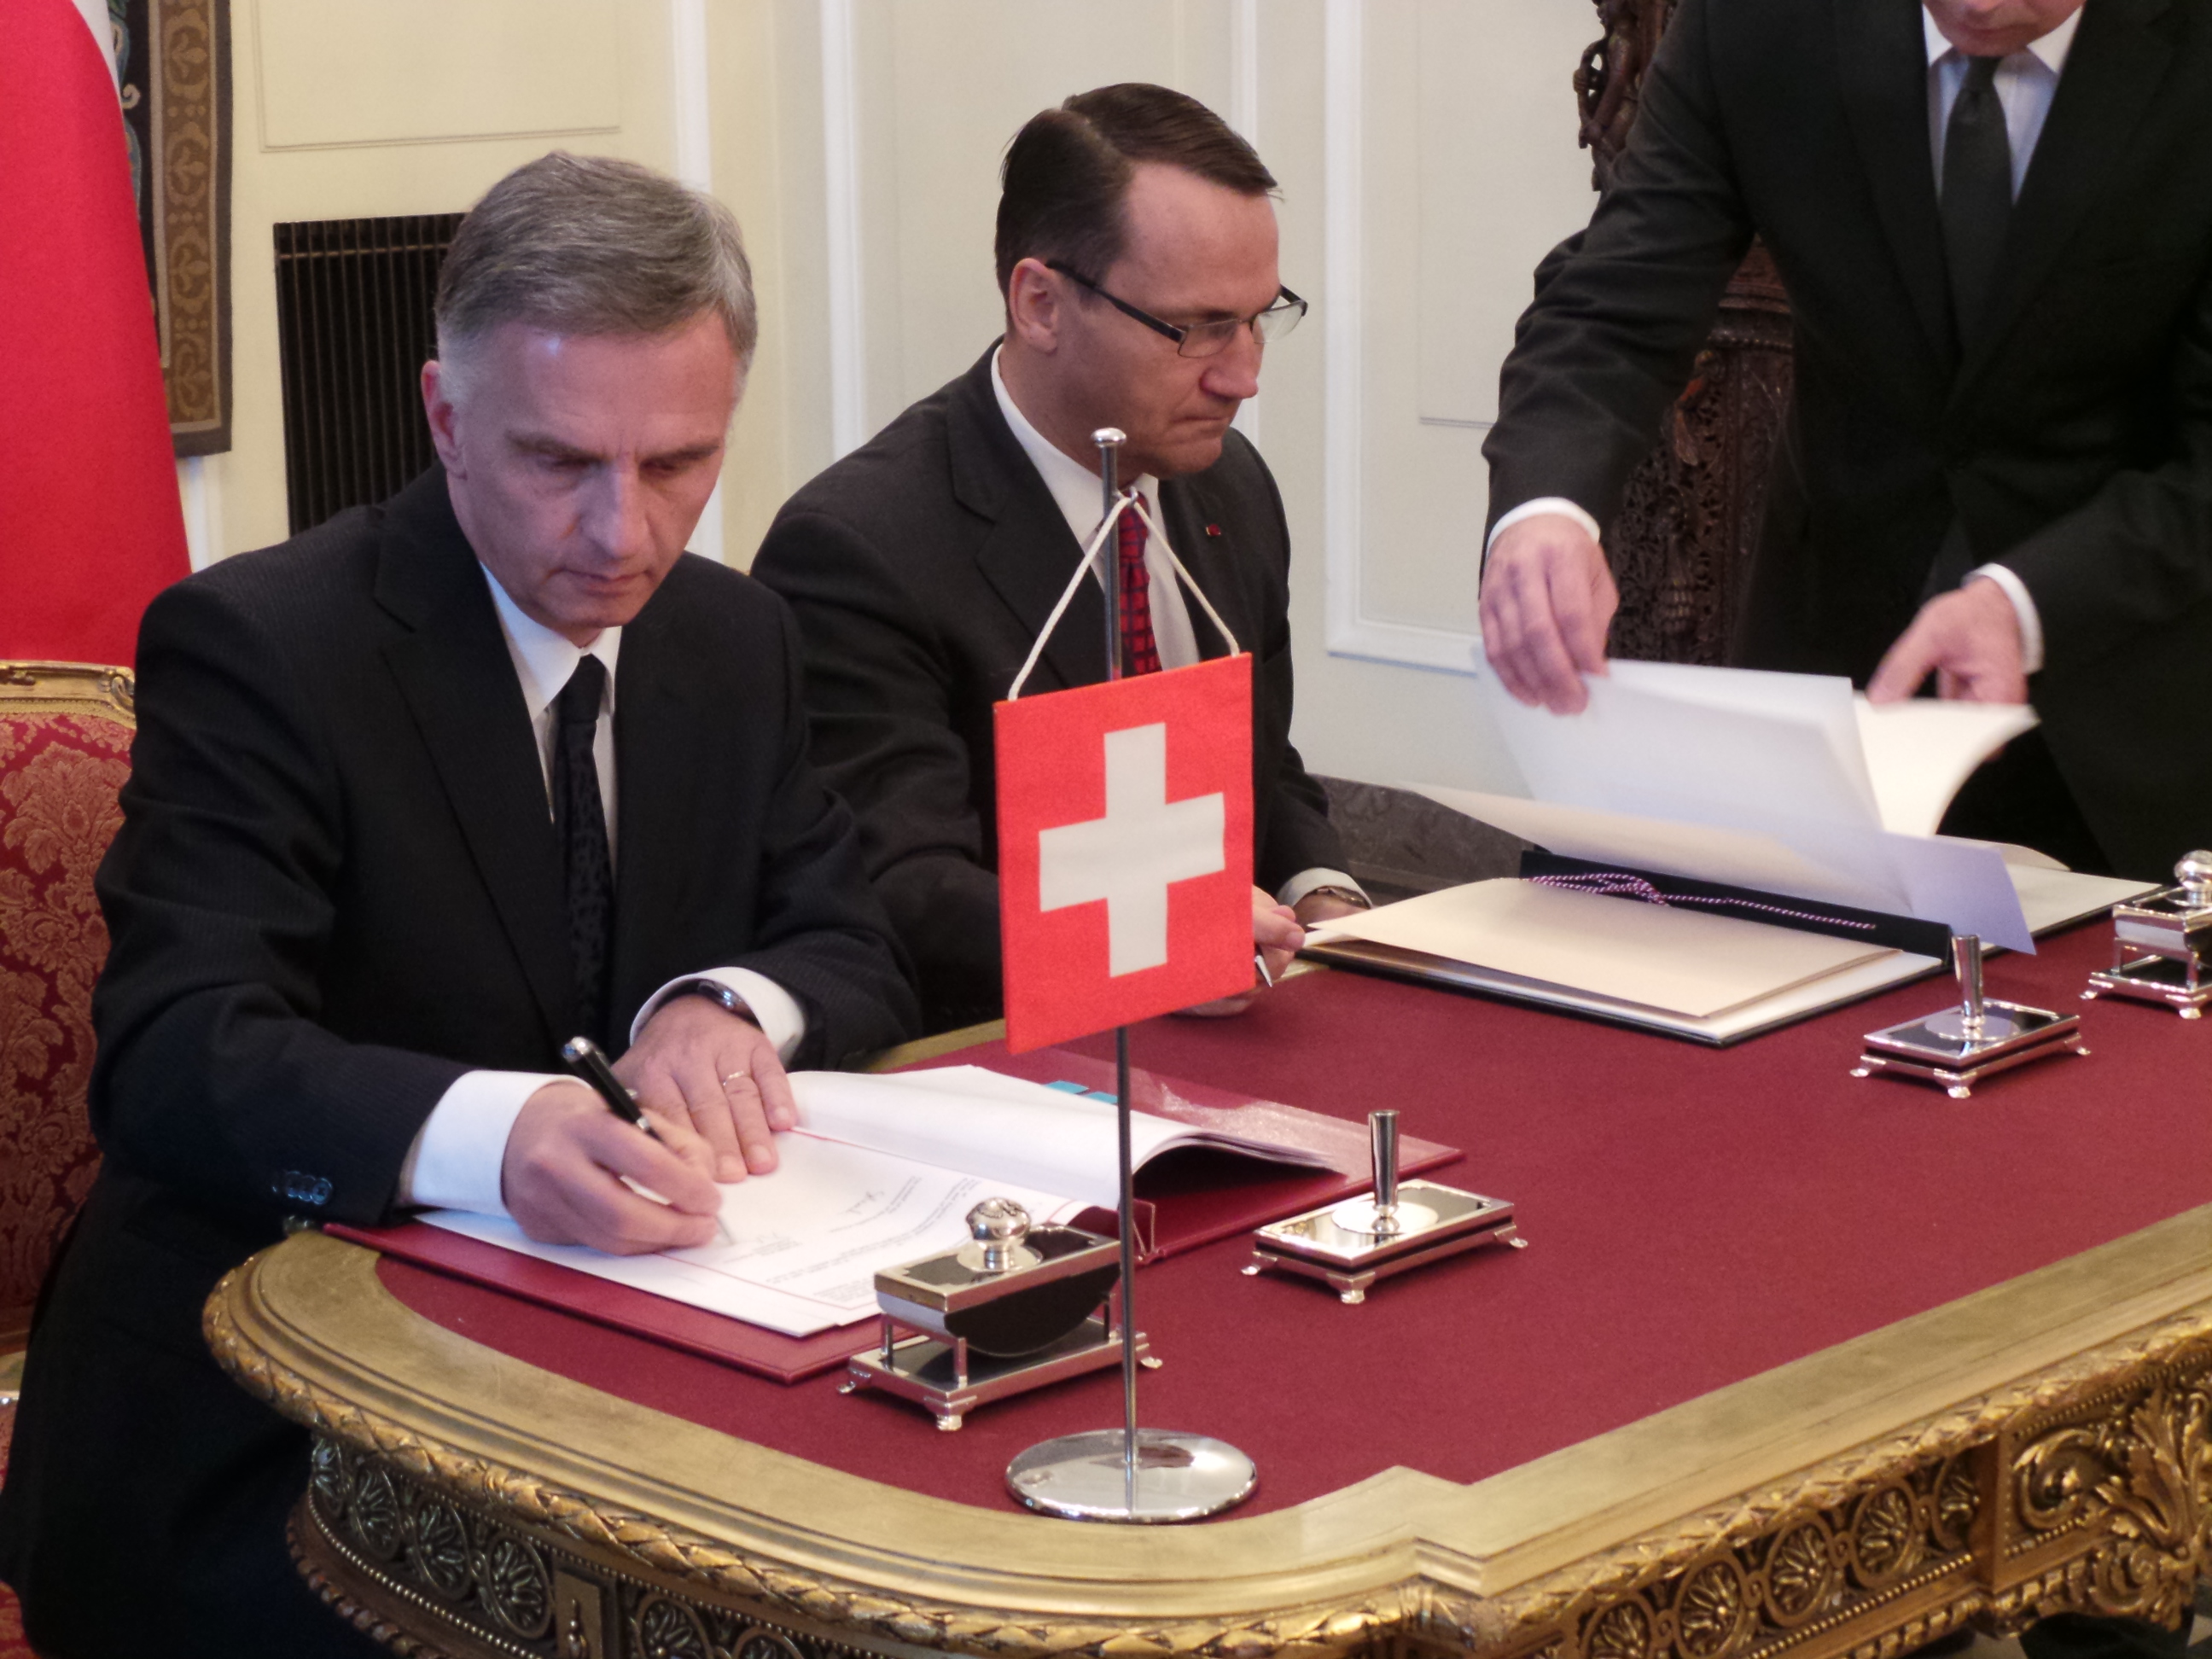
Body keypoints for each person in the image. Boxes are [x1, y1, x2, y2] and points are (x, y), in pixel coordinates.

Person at [0, 152, 917, 1658]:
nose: (623, 531)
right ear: (443, 415)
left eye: (680, 462)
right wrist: (493, 1132)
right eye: (560, 460)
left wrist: (724, 1001)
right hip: (263, 1424)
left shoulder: (733, 636)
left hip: (624, 1390)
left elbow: (851, 942)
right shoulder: (264, 645)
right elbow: (175, 1052)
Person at [1477, 0, 2212, 882]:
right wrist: (1548, 506)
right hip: (1841, 678)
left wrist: (2025, 602)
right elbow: (1613, 304)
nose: (1974, 5)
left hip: (2143, 692)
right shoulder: (1762, 24)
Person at [751, 84, 1365, 1034]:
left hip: (1235, 1024)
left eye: (1259, 317)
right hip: (1007, 1061)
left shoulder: (1228, 483)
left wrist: (1326, 897)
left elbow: (1255, 767)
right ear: (1040, 303)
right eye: (1196, 327)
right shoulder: (860, 546)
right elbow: (902, 890)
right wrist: (1161, 939)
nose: (1243, 376)